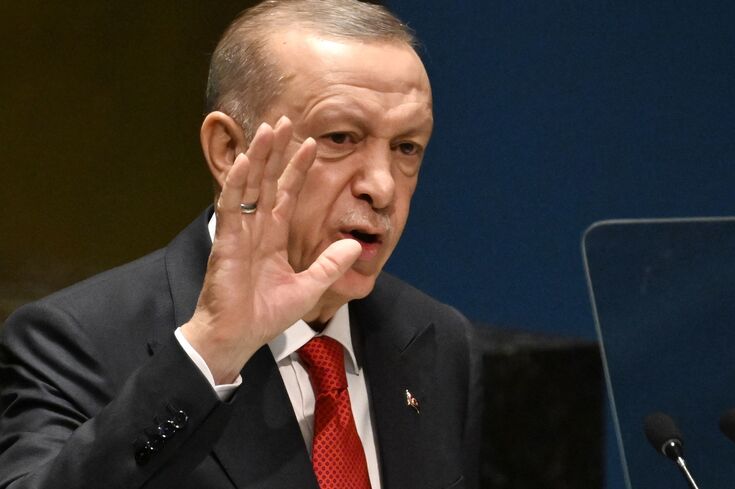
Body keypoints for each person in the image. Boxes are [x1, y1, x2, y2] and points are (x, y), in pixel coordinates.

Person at [0, 1, 480, 488]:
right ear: (229, 150)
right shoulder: (76, 340)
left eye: (406, 147)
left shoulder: (436, 339)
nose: (381, 187)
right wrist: (210, 353)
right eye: (340, 137)